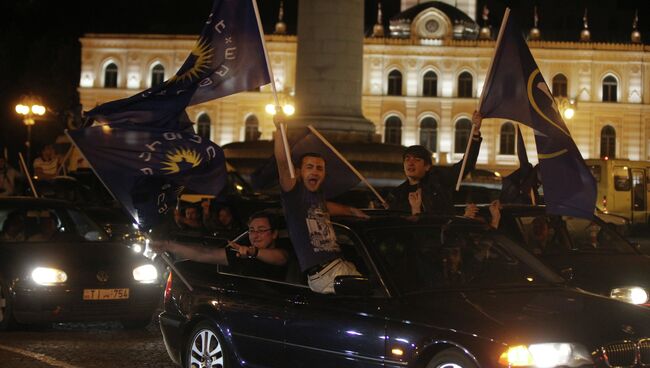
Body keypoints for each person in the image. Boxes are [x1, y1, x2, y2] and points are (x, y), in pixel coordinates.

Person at [273, 122, 368, 294]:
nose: (315, 172)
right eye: (309, 167)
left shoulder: (318, 200)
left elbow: (339, 209)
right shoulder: (294, 196)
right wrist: (280, 131)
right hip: (325, 274)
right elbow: (282, 163)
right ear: (300, 172)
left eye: (320, 168)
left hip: (337, 266)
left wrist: (356, 212)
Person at [387, 111, 483, 215]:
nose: (410, 163)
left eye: (417, 160)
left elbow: (466, 164)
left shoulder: (439, 182)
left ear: (427, 166)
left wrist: (475, 133)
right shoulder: (398, 194)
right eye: (407, 159)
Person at [152, 211, 289, 280]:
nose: (255, 235)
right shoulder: (240, 252)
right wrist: (169, 246)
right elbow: (204, 254)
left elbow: (281, 257)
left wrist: (253, 252)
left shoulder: (286, 250)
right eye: (252, 230)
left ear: (274, 234)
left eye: (261, 230)